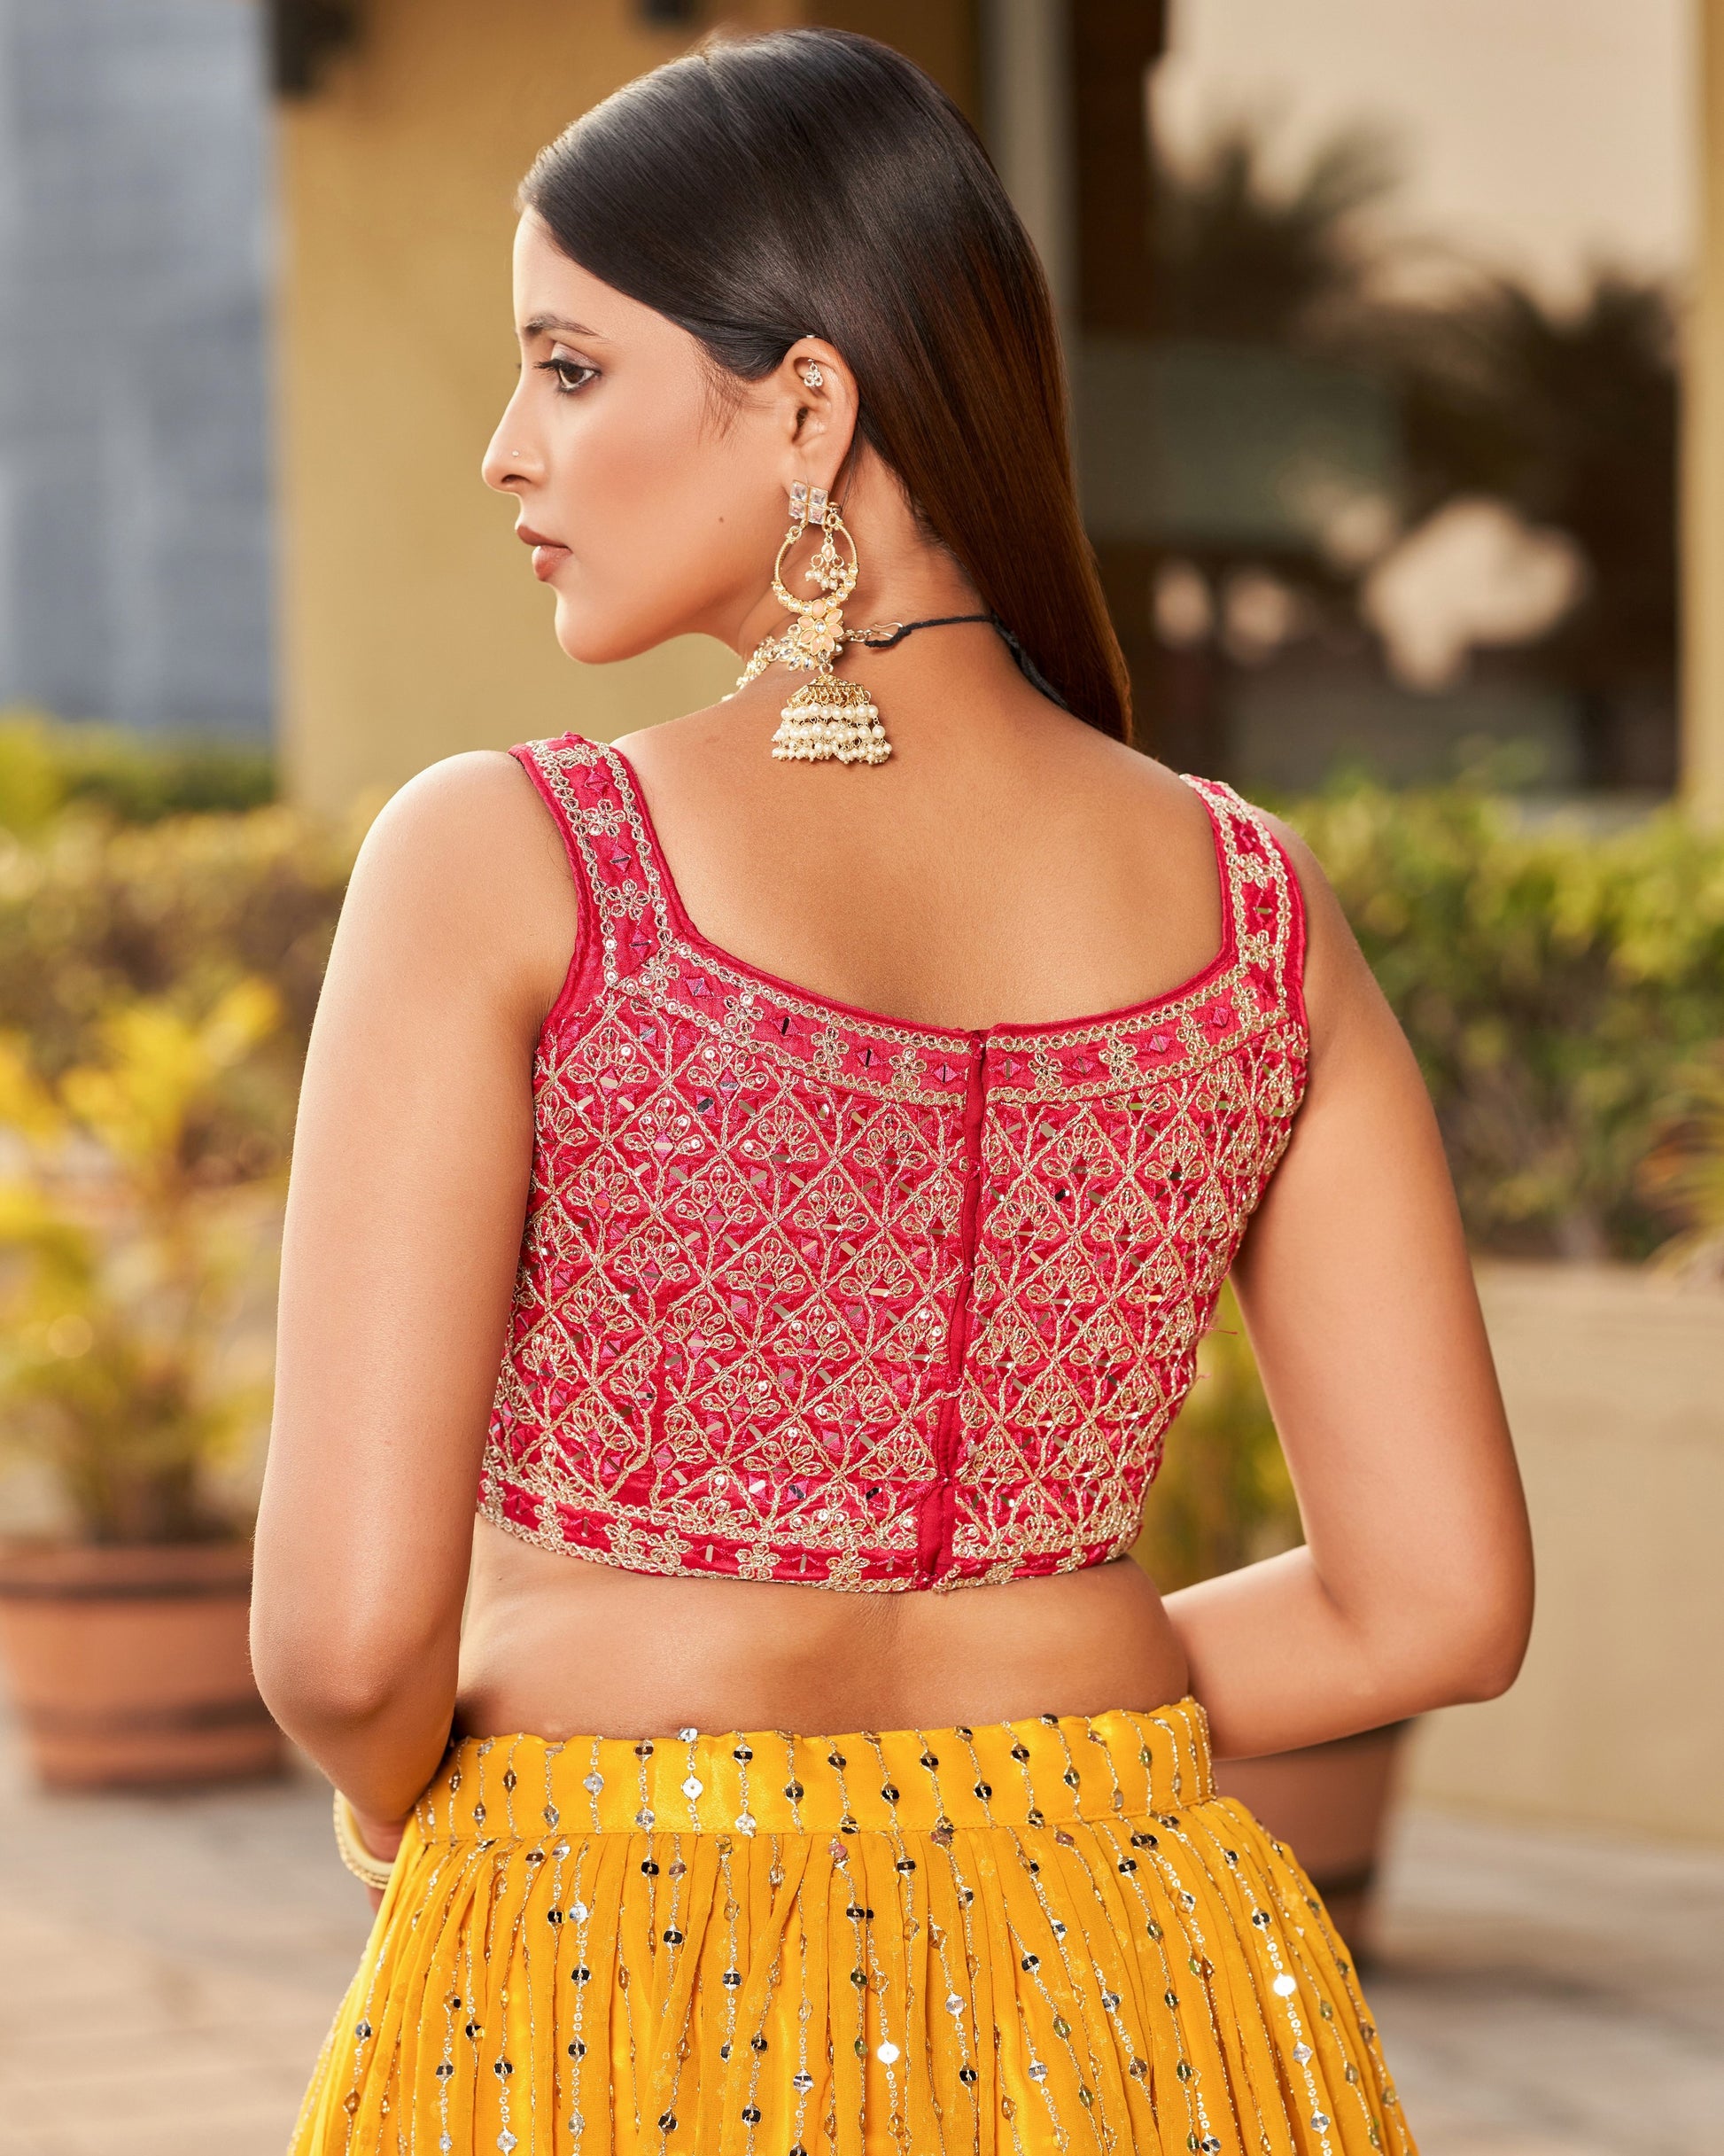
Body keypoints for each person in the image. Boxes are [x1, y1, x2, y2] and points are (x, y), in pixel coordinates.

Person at [252, 27, 1532, 2156]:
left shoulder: (502, 857)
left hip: (605, 1938)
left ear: (809, 406)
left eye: (568, 367)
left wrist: (412, 1803)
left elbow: (341, 1633)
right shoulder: (1252, 901)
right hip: (1137, 1964)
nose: (504, 449)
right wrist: (1019, 1705)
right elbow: (1436, 1605)